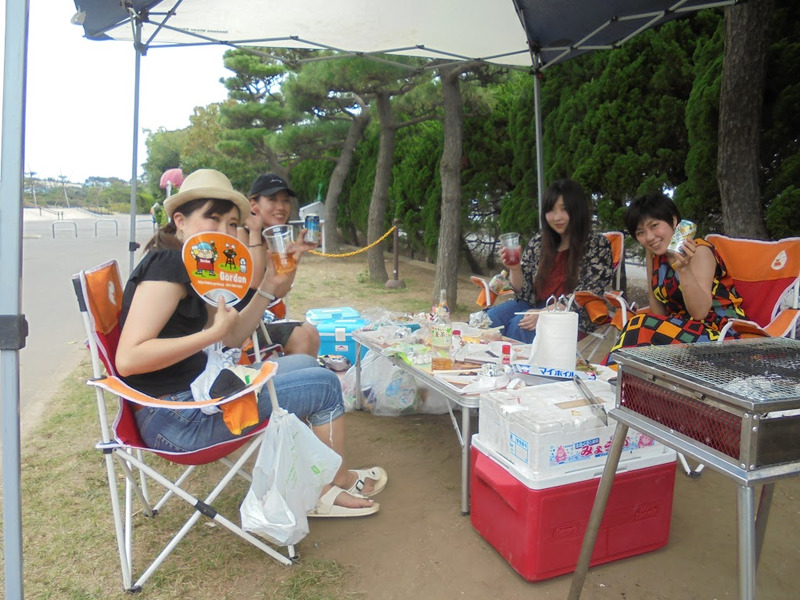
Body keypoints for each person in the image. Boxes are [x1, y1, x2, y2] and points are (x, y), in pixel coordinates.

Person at [116, 168, 386, 517]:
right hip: (177, 420)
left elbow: (232, 335)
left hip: (196, 399)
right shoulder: (167, 264)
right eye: (212, 219)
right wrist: (209, 334)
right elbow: (129, 359)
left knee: (306, 363)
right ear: (180, 221)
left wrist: (269, 285)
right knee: (324, 383)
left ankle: (322, 476)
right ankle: (325, 489)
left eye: (231, 224)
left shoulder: (199, 268)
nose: (223, 232)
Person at [607, 192, 745, 357]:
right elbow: (657, 310)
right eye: (640, 232)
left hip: (720, 334)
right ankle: (608, 371)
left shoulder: (699, 251)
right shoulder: (655, 256)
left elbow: (700, 312)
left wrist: (683, 269)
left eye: (654, 225)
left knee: (640, 324)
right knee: (642, 332)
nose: (649, 237)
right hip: (679, 331)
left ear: (673, 221)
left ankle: (608, 371)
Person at [485, 179, 613, 343]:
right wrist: (515, 268)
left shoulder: (597, 245)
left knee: (520, 325)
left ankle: (515, 360)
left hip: (573, 313)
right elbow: (524, 294)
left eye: (564, 209)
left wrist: (546, 313)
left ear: (577, 210)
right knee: (490, 319)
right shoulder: (538, 243)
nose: (557, 217)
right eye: (551, 210)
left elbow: (588, 292)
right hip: (535, 305)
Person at [241, 173, 321, 358]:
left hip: (262, 321)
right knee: (301, 337)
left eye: (285, 201)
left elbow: (278, 292)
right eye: (272, 200)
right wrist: (254, 231)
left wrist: (298, 252)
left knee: (312, 333)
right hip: (240, 328)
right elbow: (254, 283)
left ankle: (302, 376)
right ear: (253, 205)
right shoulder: (241, 234)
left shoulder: (274, 240)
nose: (281, 207)